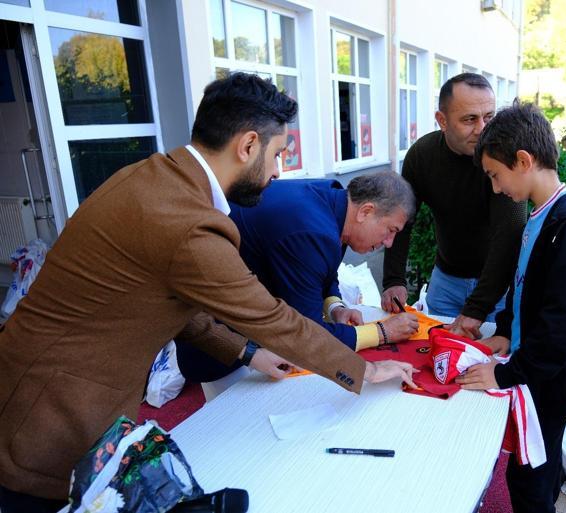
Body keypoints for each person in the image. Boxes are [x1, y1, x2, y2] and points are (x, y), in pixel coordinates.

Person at [0, 73, 414, 512]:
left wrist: (249, 354)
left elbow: (176, 305)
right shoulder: (188, 221)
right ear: (248, 145)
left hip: (44, 383)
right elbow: (273, 318)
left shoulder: (153, 177)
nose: (277, 174)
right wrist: (363, 370)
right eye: (277, 156)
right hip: (50, 411)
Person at [456, 102, 566, 513]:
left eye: (495, 175)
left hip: (549, 379)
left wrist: (506, 373)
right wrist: (504, 331)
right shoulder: (540, 216)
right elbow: (523, 287)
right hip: (533, 368)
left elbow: (563, 322)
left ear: (523, 161)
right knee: (534, 465)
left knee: (530, 477)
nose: (495, 187)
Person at [176, 172, 421, 383]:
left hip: (255, 332)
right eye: (390, 231)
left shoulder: (336, 201)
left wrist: (334, 306)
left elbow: (323, 268)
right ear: (366, 211)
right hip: (219, 340)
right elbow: (308, 334)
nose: (389, 243)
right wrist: (381, 332)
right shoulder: (312, 229)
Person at [382, 73, 527, 339]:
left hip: (499, 287)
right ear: (442, 121)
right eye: (470, 119)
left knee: (490, 368)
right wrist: (393, 280)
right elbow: (401, 219)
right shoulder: (422, 156)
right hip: (445, 281)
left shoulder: (504, 157)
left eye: (489, 117)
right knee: (431, 353)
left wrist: (478, 306)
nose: (483, 128)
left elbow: (511, 233)